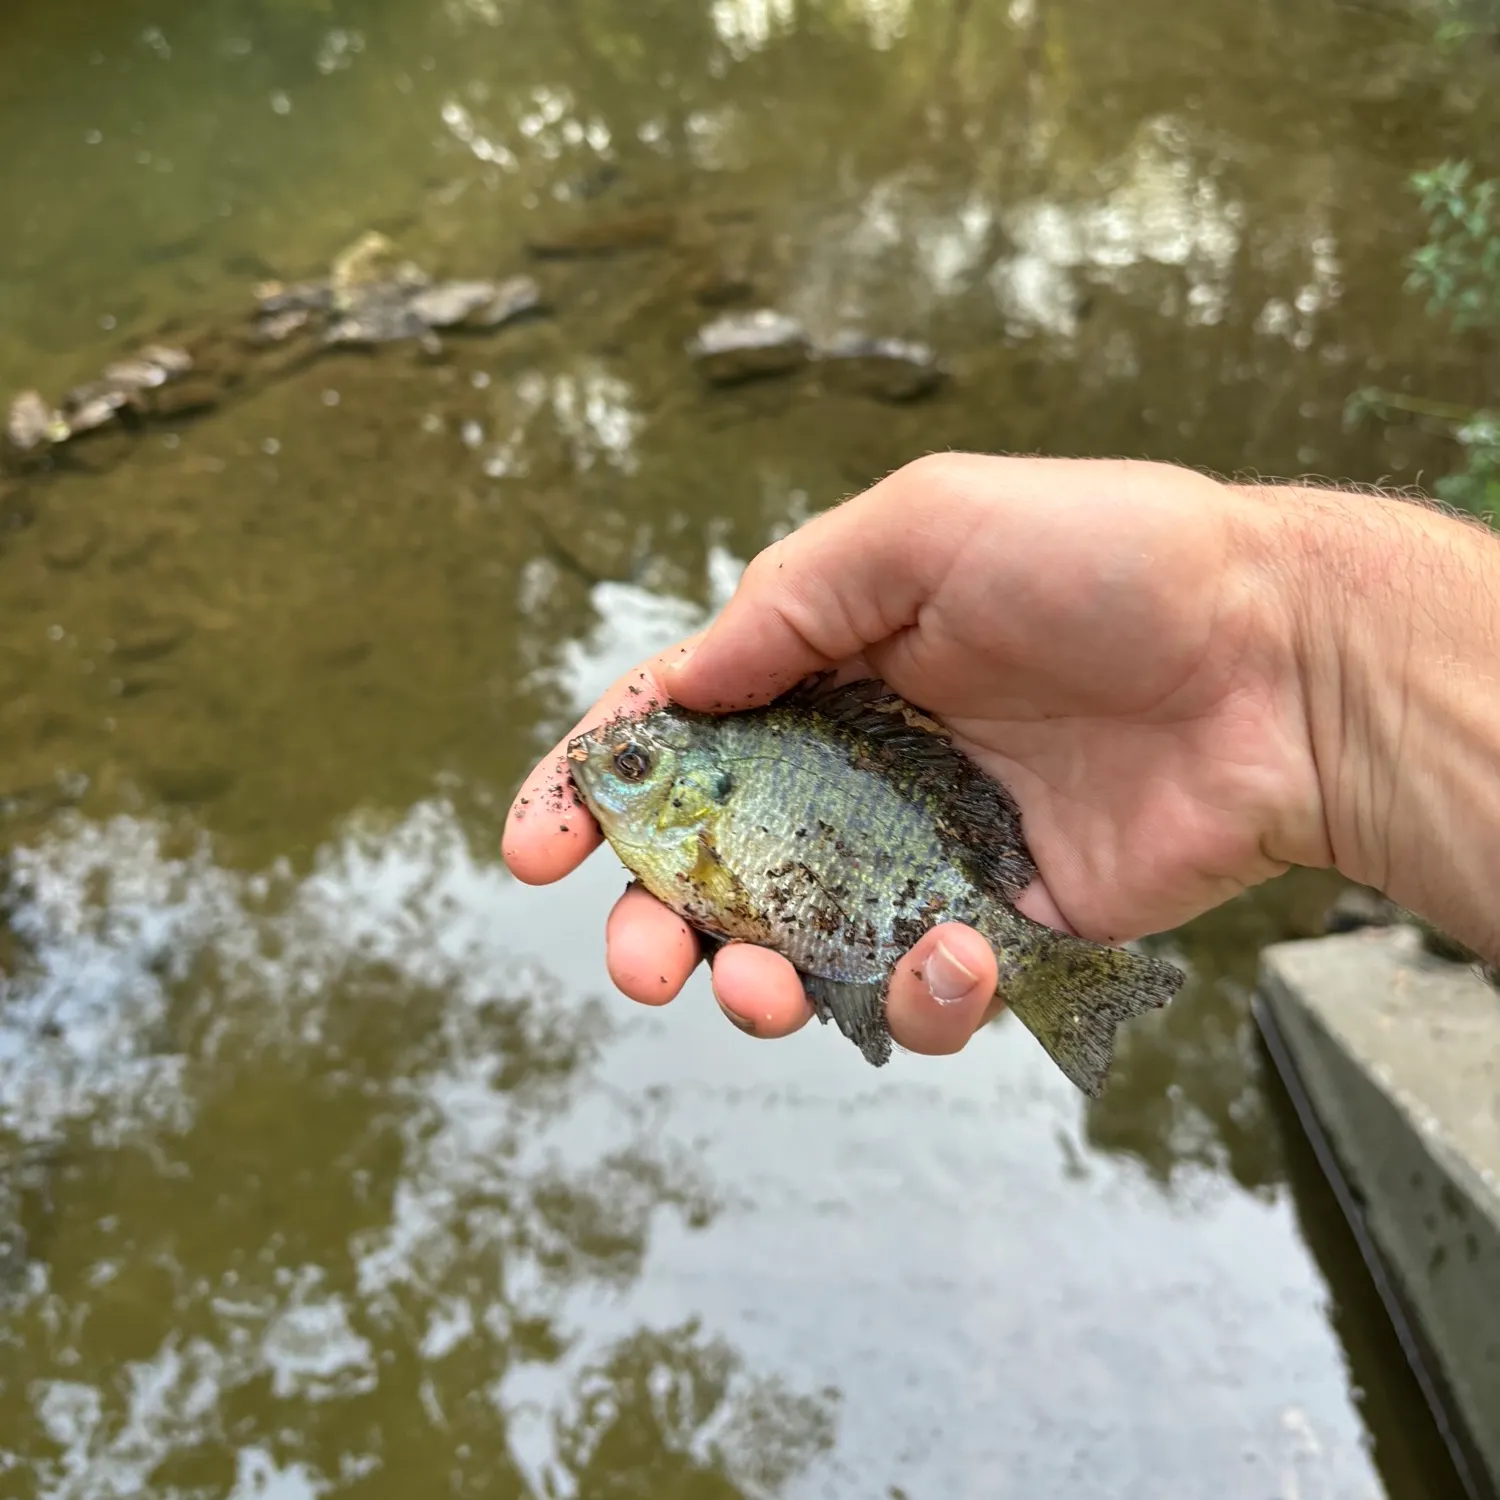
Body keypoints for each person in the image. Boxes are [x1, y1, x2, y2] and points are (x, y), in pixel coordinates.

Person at [502, 454, 1500, 1056]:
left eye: (633, 774)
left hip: (935, 877)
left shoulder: (706, 795)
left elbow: (726, 885)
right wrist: (1324, 678)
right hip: (917, 903)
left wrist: (1312, 663)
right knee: (825, 984)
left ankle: (1059, 985)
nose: (598, 776)